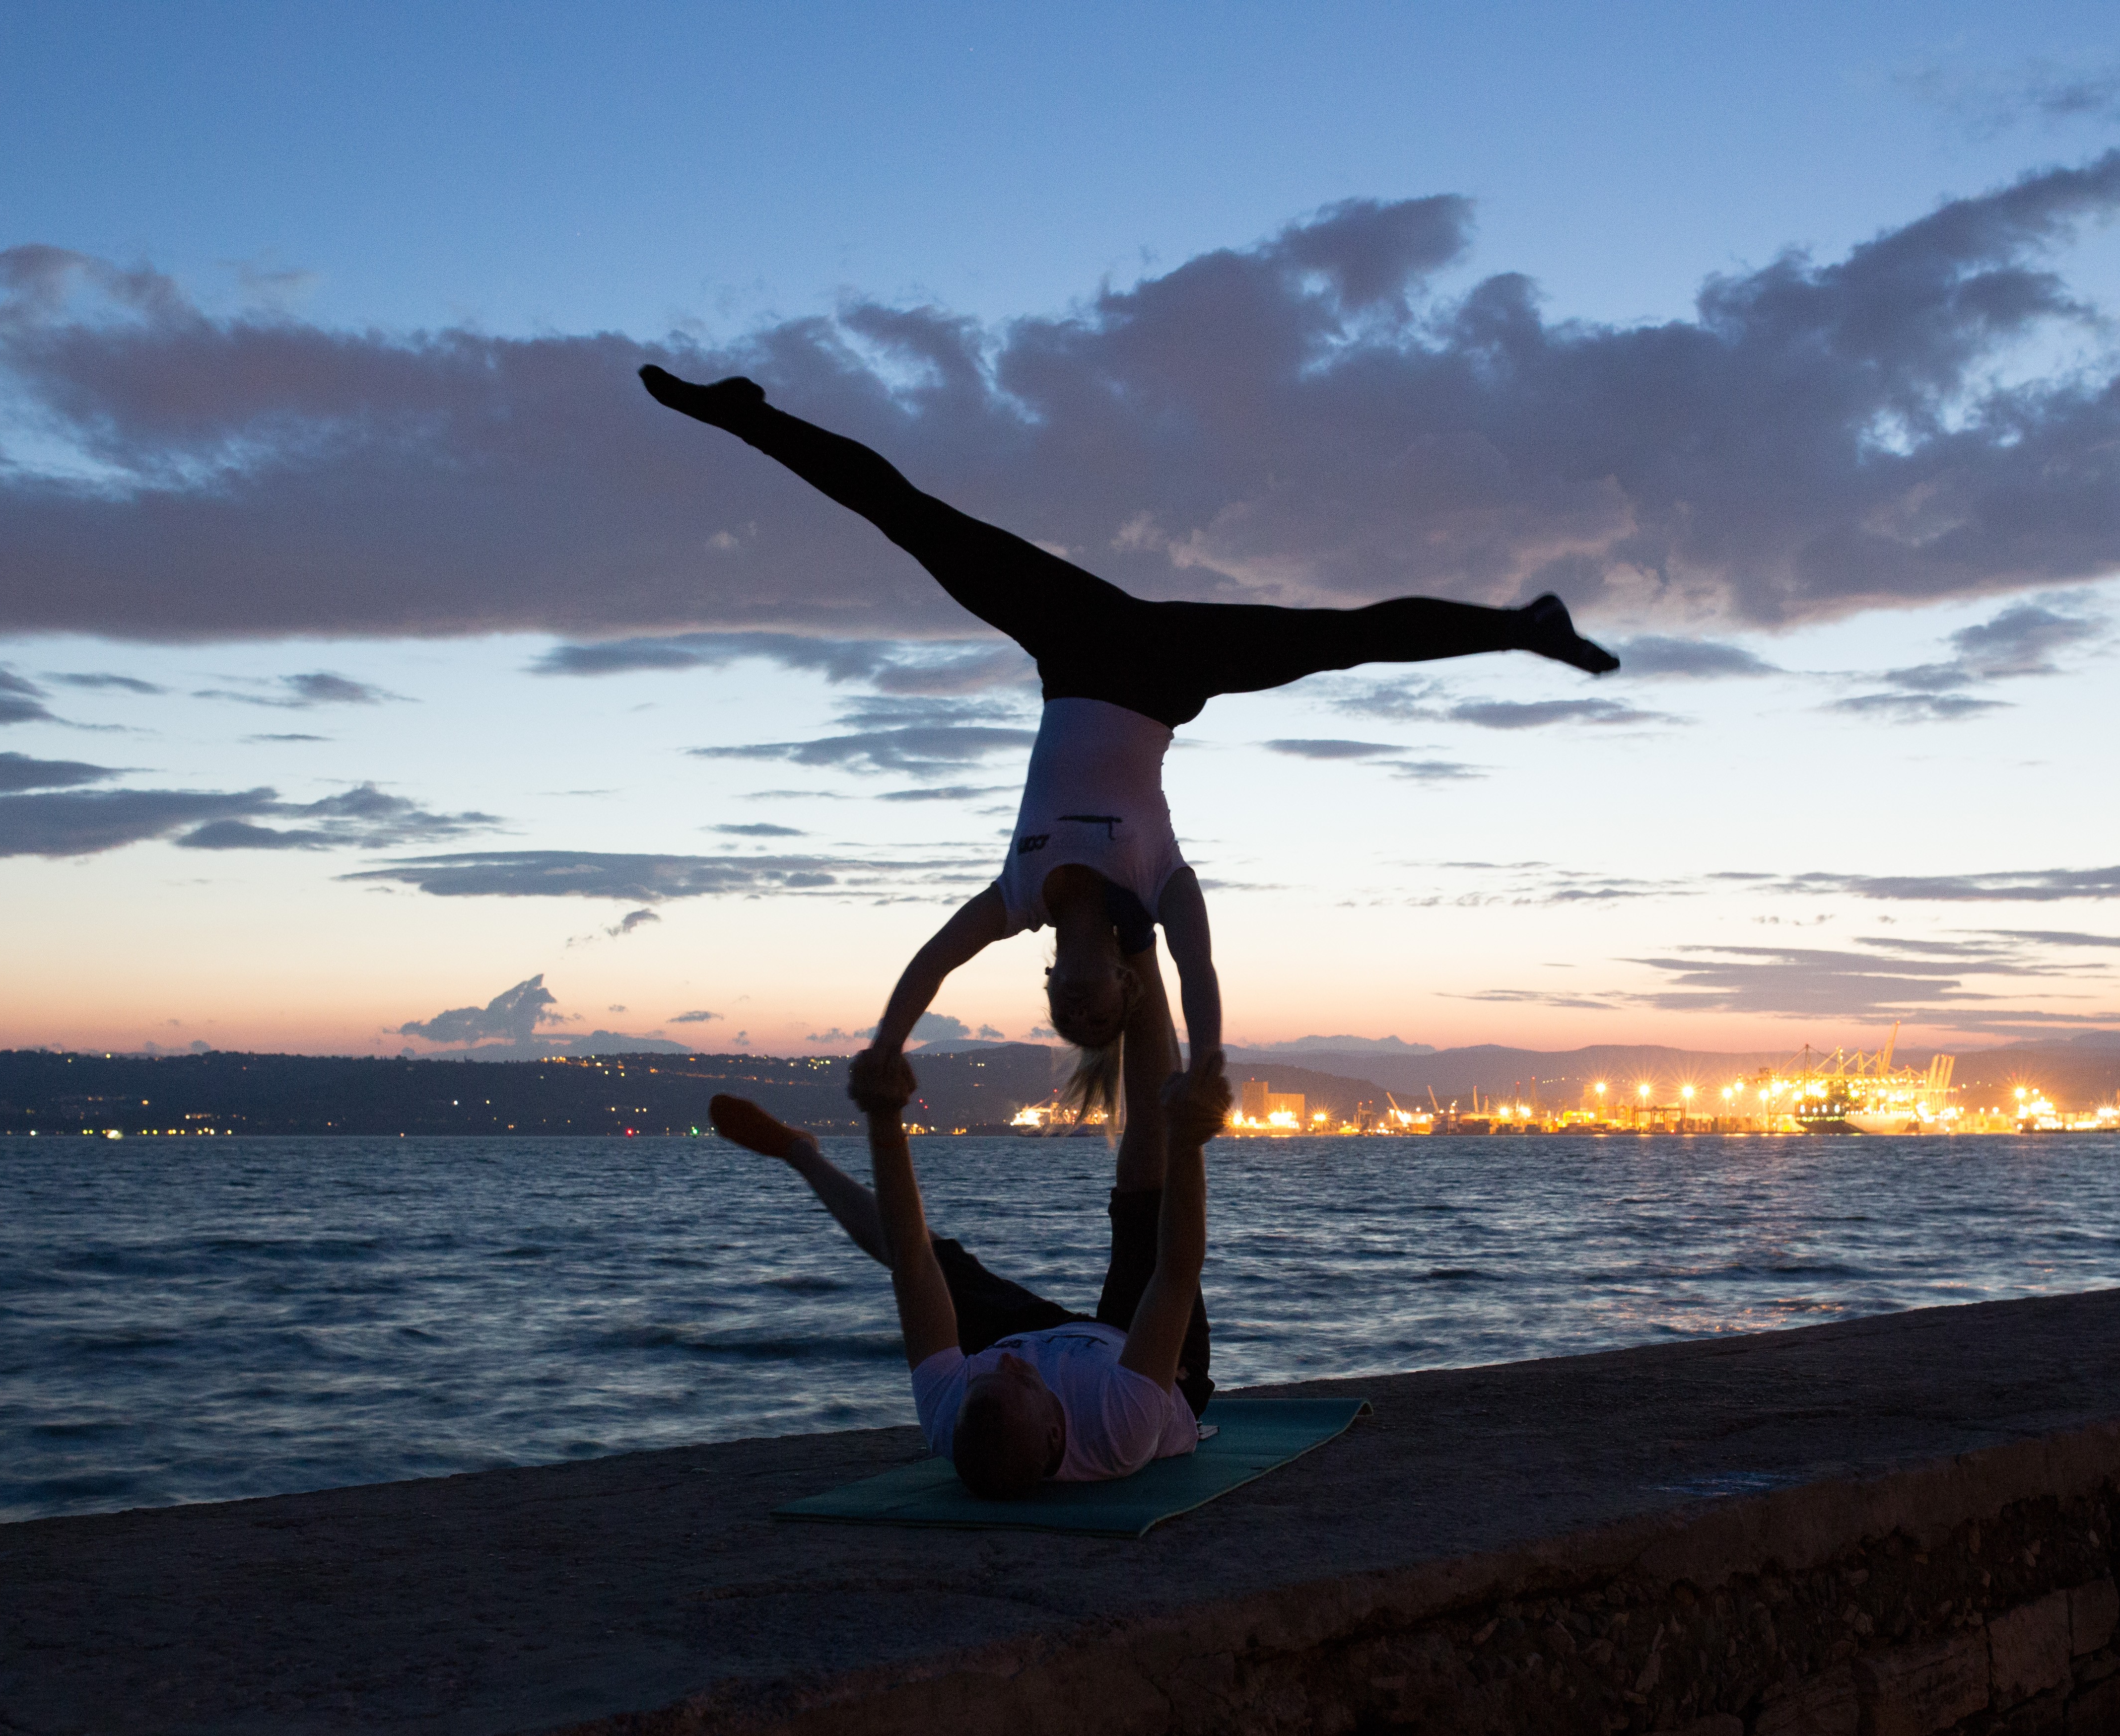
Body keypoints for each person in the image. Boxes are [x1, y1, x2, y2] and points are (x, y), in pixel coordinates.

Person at [639, 365, 1618, 1121]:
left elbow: (930, 967)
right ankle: (1527, 627)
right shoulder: (1155, 887)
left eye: (1075, 1008)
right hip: (1163, 670)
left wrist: (885, 1049)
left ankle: (743, 413)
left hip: (1069, 646)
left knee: (911, 519)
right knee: (1347, 637)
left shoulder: (1017, 897)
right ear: (1122, 979)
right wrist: (1206, 1067)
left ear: (1055, 983)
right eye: (1107, 1009)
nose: (1088, 1001)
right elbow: (1197, 976)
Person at [708, 966, 1231, 1496]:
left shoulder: (954, 1406)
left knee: (925, 1259)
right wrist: (1188, 1141)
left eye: (989, 1375)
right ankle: (1141, 948)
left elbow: (912, 1257)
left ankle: (801, 1152)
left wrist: (884, 1115)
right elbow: (1176, 1270)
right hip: (1154, 1366)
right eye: (1018, 1378)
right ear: (1055, 1434)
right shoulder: (1121, 1425)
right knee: (1146, 1172)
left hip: (1051, 1337)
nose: (1008, 1362)